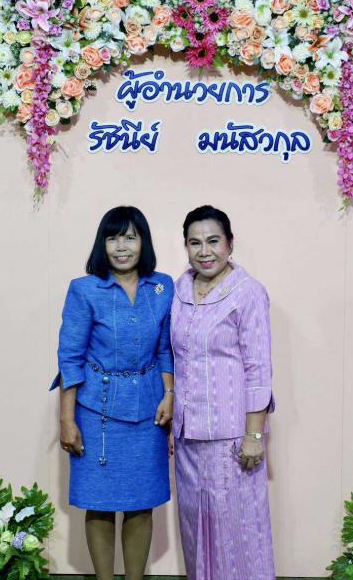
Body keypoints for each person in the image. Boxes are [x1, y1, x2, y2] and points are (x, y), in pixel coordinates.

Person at [50, 206, 175, 580]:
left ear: (143, 242)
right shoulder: (84, 289)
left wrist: (170, 394)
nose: (122, 247)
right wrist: (67, 419)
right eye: (113, 238)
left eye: (130, 237)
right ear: (102, 244)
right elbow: (70, 357)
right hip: (96, 413)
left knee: (142, 503)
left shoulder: (162, 287)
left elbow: (166, 349)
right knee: (100, 504)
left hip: (150, 412)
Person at [170, 205, 276, 580]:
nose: (205, 251)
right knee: (195, 532)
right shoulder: (177, 290)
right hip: (188, 438)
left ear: (230, 244)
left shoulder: (248, 293)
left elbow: (258, 367)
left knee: (236, 535)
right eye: (195, 243)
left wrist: (254, 436)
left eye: (213, 241)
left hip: (232, 438)